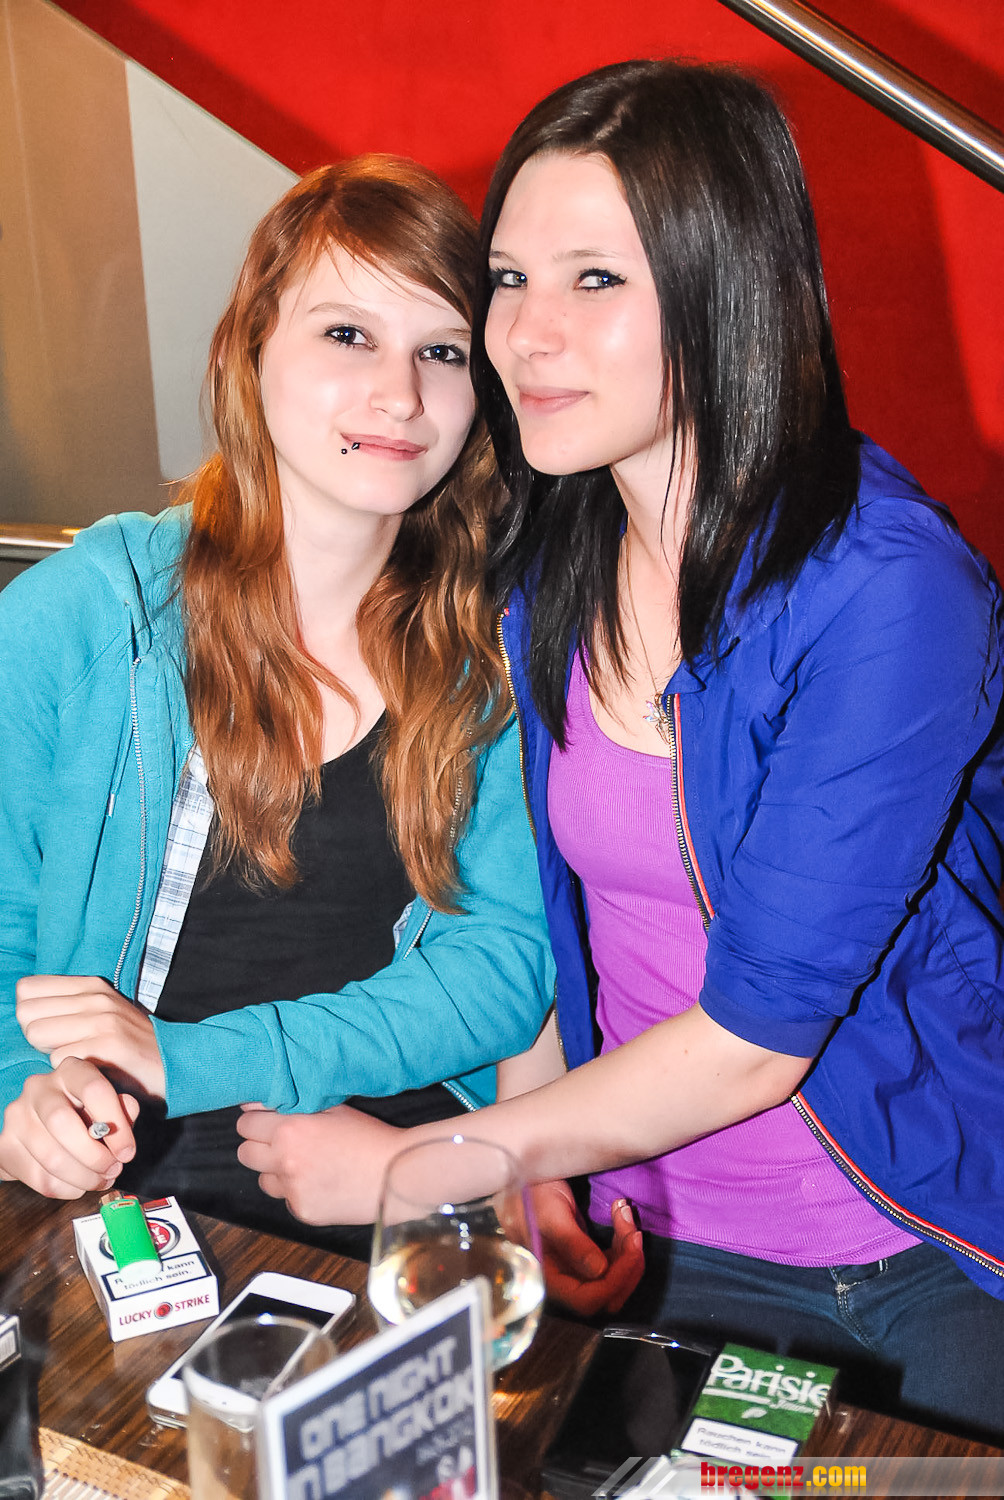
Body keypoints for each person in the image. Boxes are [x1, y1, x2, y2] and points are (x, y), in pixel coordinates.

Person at [165, 61, 1004, 1436]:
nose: (525, 336)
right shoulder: (544, 547)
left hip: (905, 1257)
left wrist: (435, 1162)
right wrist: (532, 1165)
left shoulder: (887, 592)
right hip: (648, 1240)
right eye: (507, 280)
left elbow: (753, 1040)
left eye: (596, 280)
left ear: (727, 288)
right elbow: (552, 915)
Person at [2, 156, 554, 1254]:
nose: (399, 395)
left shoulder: (496, 645)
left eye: (441, 351)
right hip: (119, 1184)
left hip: (387, 1169)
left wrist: (193, 1058)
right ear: (249, 349)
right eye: (347, 334)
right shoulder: (91, 611)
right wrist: (20, 1097)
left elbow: (502, 964)